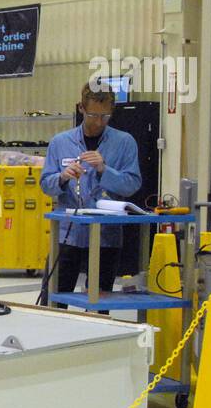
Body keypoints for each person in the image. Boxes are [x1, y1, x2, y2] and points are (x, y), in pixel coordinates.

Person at [39, 82, 142, 307]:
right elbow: (46, 185)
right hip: (67, 234)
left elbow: (132, 184)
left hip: (105, 236)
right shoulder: (60, 142)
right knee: (53, 299)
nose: (98, 122)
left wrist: (105, 169)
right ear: (81, 108)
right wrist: (63, 177)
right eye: (93, 114)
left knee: (99, 302)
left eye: (105, 116)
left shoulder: (124, 143)